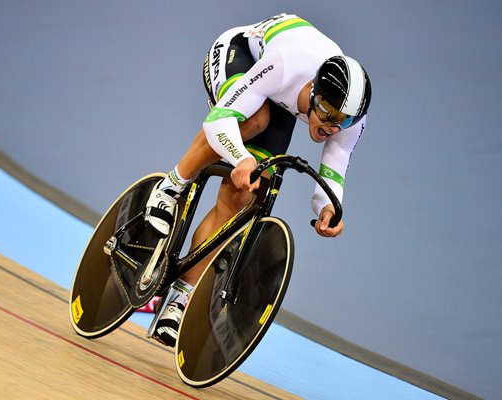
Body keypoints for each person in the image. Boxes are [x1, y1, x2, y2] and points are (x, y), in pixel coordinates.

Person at [144, 13, 371, 346]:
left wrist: (328, 209)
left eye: (343, 120)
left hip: (282, 97)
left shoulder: (347, 119)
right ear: (313, 92)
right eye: (326, 113)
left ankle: (179, 297)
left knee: (244, 196)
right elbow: (220, 120)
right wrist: (240, 156)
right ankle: (171, 186)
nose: (331, 127)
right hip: (243, 55)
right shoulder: (286, 66)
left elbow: (334, 170)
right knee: (251, 121)